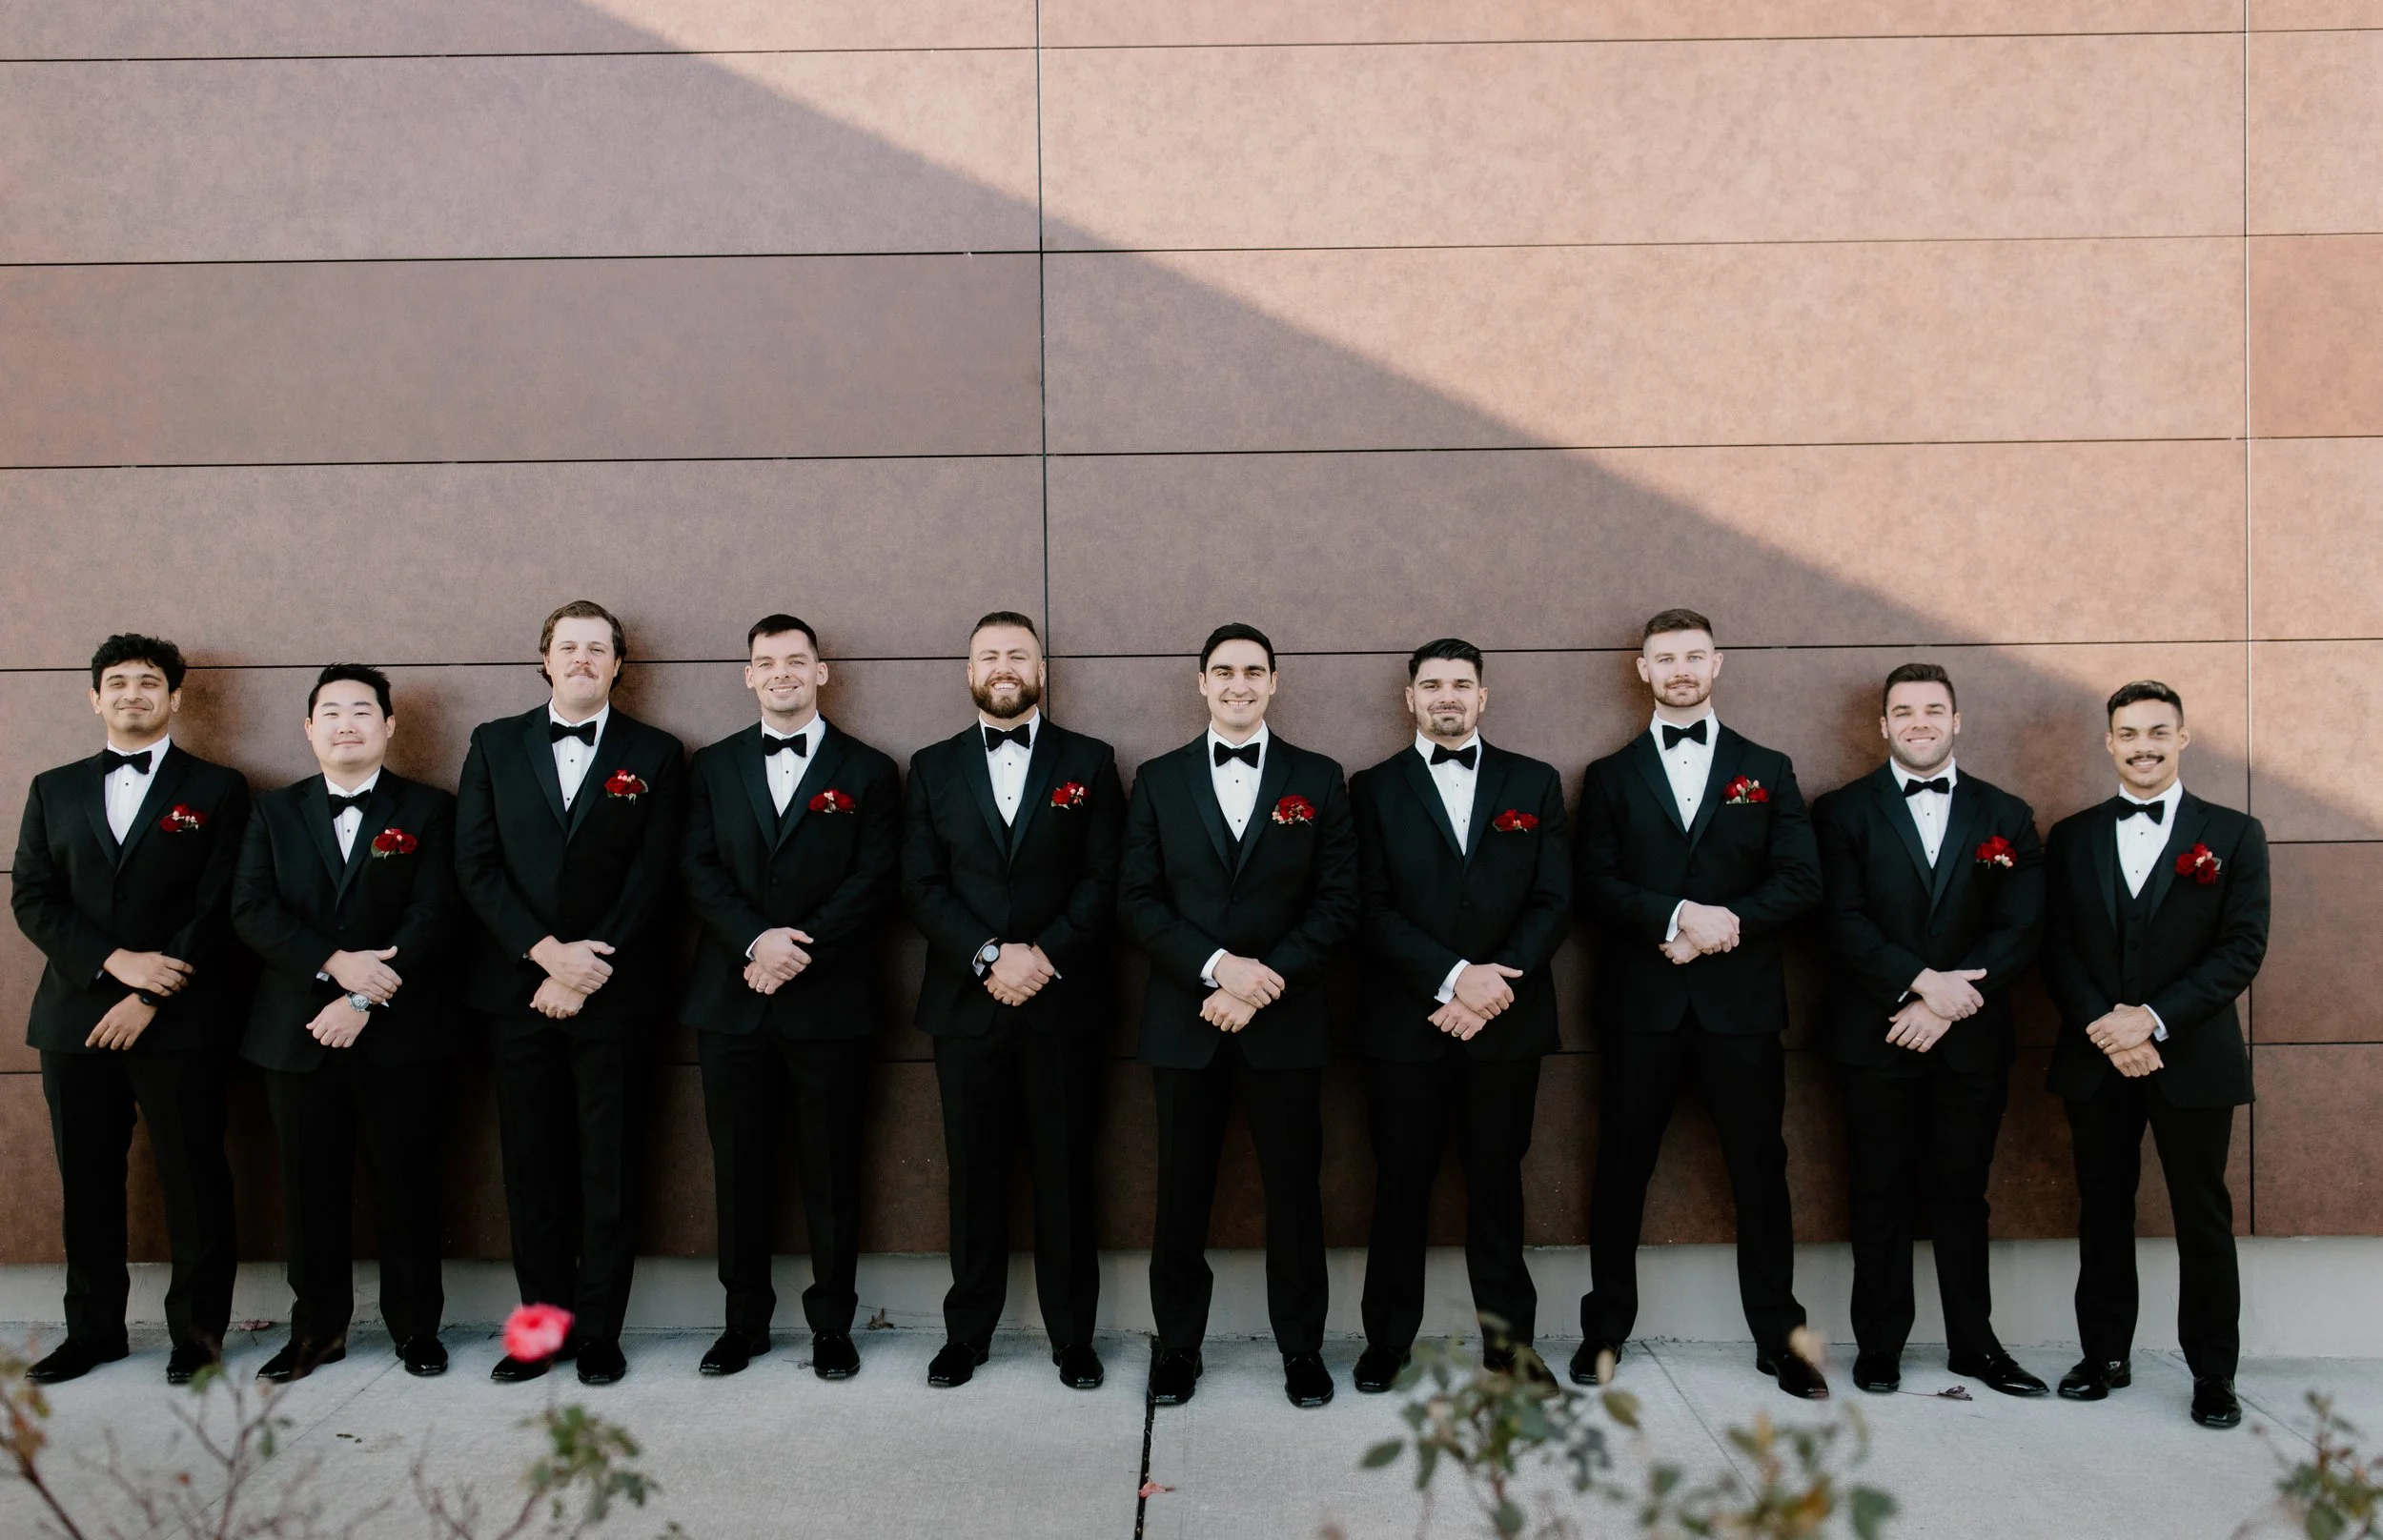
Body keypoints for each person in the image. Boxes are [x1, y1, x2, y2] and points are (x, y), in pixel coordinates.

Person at [1572, 608, 1825, 1398]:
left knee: (1761, 1172)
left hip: (1740, 1008)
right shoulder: (1609, 776)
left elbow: (1801, 880)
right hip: (1641, 1007)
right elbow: (1596, 883)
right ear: (1642, 671)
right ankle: (1604, 1332)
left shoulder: (1769, 767)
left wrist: (1722, 927)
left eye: (1693, 656)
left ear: (1717, 666)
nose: (1680, 669)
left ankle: (1782, 1339)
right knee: (1620, 1171)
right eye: (1664, 658)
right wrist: (1678, 918)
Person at [1118, 622, 1359, 1409]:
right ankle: (1178, 1349)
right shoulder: (1157, 780)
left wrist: (1262, 977)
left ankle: (1301, 1349)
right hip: (1186, 1021)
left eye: (1253, 671)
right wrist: (1218, 969)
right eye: (1223, 672)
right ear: (1201, 683)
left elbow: (1338, 902)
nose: (1238, 684)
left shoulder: (1318, 779)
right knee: (1180, 1193)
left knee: (1295, 1193)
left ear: (1274, 683)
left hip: (1285, 1023)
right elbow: (1139, 901)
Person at [456, 600, 684, 1386]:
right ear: (544, 660)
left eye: (598, 648)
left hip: (615, 995)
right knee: (533, 1170)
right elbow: (475, 867)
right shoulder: (492, 745)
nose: (583, 658)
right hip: (516, 993)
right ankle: (540, 1332)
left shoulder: (656, 754)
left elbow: (654, 875)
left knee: (609, 1170)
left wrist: (587, 969)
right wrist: (546, 955)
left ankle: (598, 1334)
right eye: (568, 646)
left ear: (619, 665)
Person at [11, 634, 248, 1385]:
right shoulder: (53, 788)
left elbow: (220, 905)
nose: (132, 694)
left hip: (181, 1022)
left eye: (149, 683)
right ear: (95, 697)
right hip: (74, 1017)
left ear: (175, 697)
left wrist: (151, 991)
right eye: (117, 682)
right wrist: (115, 966)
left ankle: (198, 1338)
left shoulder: (219, 789)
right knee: (86, 1184)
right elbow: (33, 898)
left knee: (194, 1179)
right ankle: (93, 1334)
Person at [1811, 662, 2047, 1398]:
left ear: (1957, 719)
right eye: (1904, 711)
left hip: (1970, 1041)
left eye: (1933, 709)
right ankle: (1879, 1345)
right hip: (1874, 1034)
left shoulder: (2007, 814)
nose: (1919, 722)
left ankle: (1973, 1345)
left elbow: (2023, 924)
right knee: (1876, 1193)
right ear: (1883, 725)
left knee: (1962, 1197)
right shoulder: (1842, 812)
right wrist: (1919, 984)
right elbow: (1839, 920)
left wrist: (1946, 1001)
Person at [902, 612, 1123, 1390]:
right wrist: (993, 956)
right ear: (969, 672)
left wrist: (1043, 955)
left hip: (1062, 1004)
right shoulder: (930, 768)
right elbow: (920, 884)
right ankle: (968, 1334)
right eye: (989, 656)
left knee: (1066, 1174)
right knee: (973, 1176)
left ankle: (1074, 1338)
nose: (1004, 666)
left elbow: (1104, 882)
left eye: (1017, 655)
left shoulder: (1090, 763)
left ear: (1040, 670)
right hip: (968, 1005)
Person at [2042, 680, 2268, 1429]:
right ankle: (2104, 1354)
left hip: (2193, 1059)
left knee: (2203, 1216)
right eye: (2128, 733)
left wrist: (2153, 1021)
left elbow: (2242, 948)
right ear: (2109, 742)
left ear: (2183, 737)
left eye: (2157, 732)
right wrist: (2109, 1027)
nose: (2143, 745)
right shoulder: (2072, 836)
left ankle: (2213, 1375)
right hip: (2096, 1057)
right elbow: (2059, 946)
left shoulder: (2234, 834)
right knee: (2102, 1209)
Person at [680, 615, 900, 1382]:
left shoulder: (868, 771)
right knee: (738, 1170)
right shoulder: (709, 766)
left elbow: (874, 879)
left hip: (828, 1002)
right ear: (748, 675)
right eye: (766, 662)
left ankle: (833, 1326)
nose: (781, 673)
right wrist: (755, 942)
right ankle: (743, 1324)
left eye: (795, 661)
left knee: (832, 1170)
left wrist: (796, 947)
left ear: (820, 672)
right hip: (732, 1001)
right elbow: (697, 869)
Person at [1348, 638, 1570, 1392]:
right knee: (1399, 1185)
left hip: (1507, 1021)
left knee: (1498, 1185)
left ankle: (1510, 1346)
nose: (1448, 697)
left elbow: (1553, 898)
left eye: (1462, 685)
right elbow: (1368, 906)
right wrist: (1450, 979)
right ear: (1410, 698)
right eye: (1433, 685)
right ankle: (1387, 1341)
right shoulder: (1371, 789)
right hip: (1407, 1024)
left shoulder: (1534, 783)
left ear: (1484, 696)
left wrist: (1492, 986)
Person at [233, 664, 460, 1382]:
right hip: (294, 1035)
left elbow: (437, 912)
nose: (346, 723)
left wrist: (366, 997)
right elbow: (252, 911)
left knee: (409, 1187)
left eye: (362, 710)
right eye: (330, 712)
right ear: (309, 729)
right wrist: (335, 966)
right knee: (309, 1193)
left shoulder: (429, 810)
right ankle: (317, 1332)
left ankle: (417, 1328)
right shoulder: (271, 812)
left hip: (400, 1034)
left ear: (389, 726)